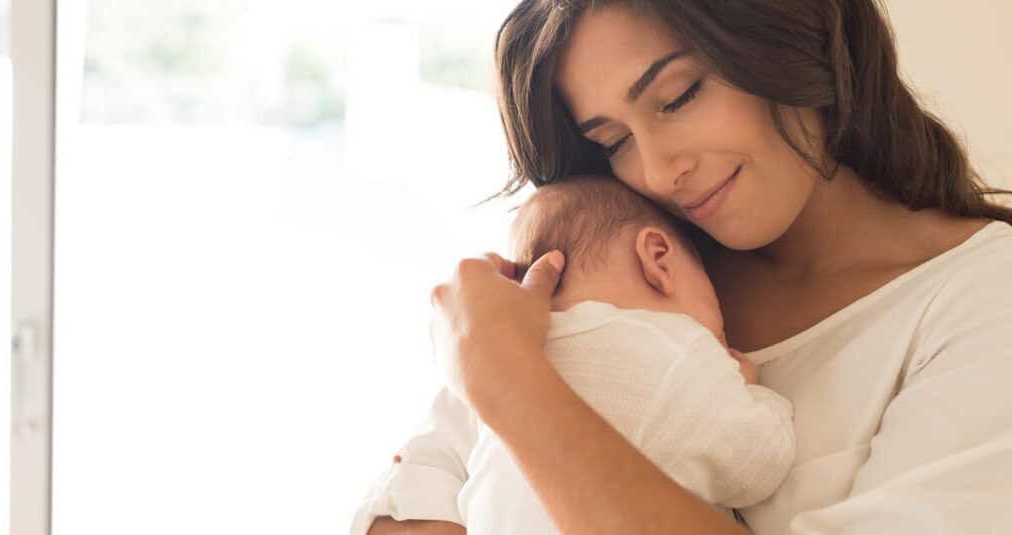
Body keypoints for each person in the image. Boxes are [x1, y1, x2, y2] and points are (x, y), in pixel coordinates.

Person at [376, 1, 1012, 533]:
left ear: (787, 39)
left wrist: (509, 382)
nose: (657, 171)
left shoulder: (981, 299)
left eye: (677, 97)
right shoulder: (628, 279)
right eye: (613, 142)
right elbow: (404, 506)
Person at [353, 176, 795, 534]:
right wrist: (749, 390)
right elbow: (759, 465)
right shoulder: (675, 349)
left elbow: (424, 468)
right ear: (658, 258)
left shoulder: (484, 364)